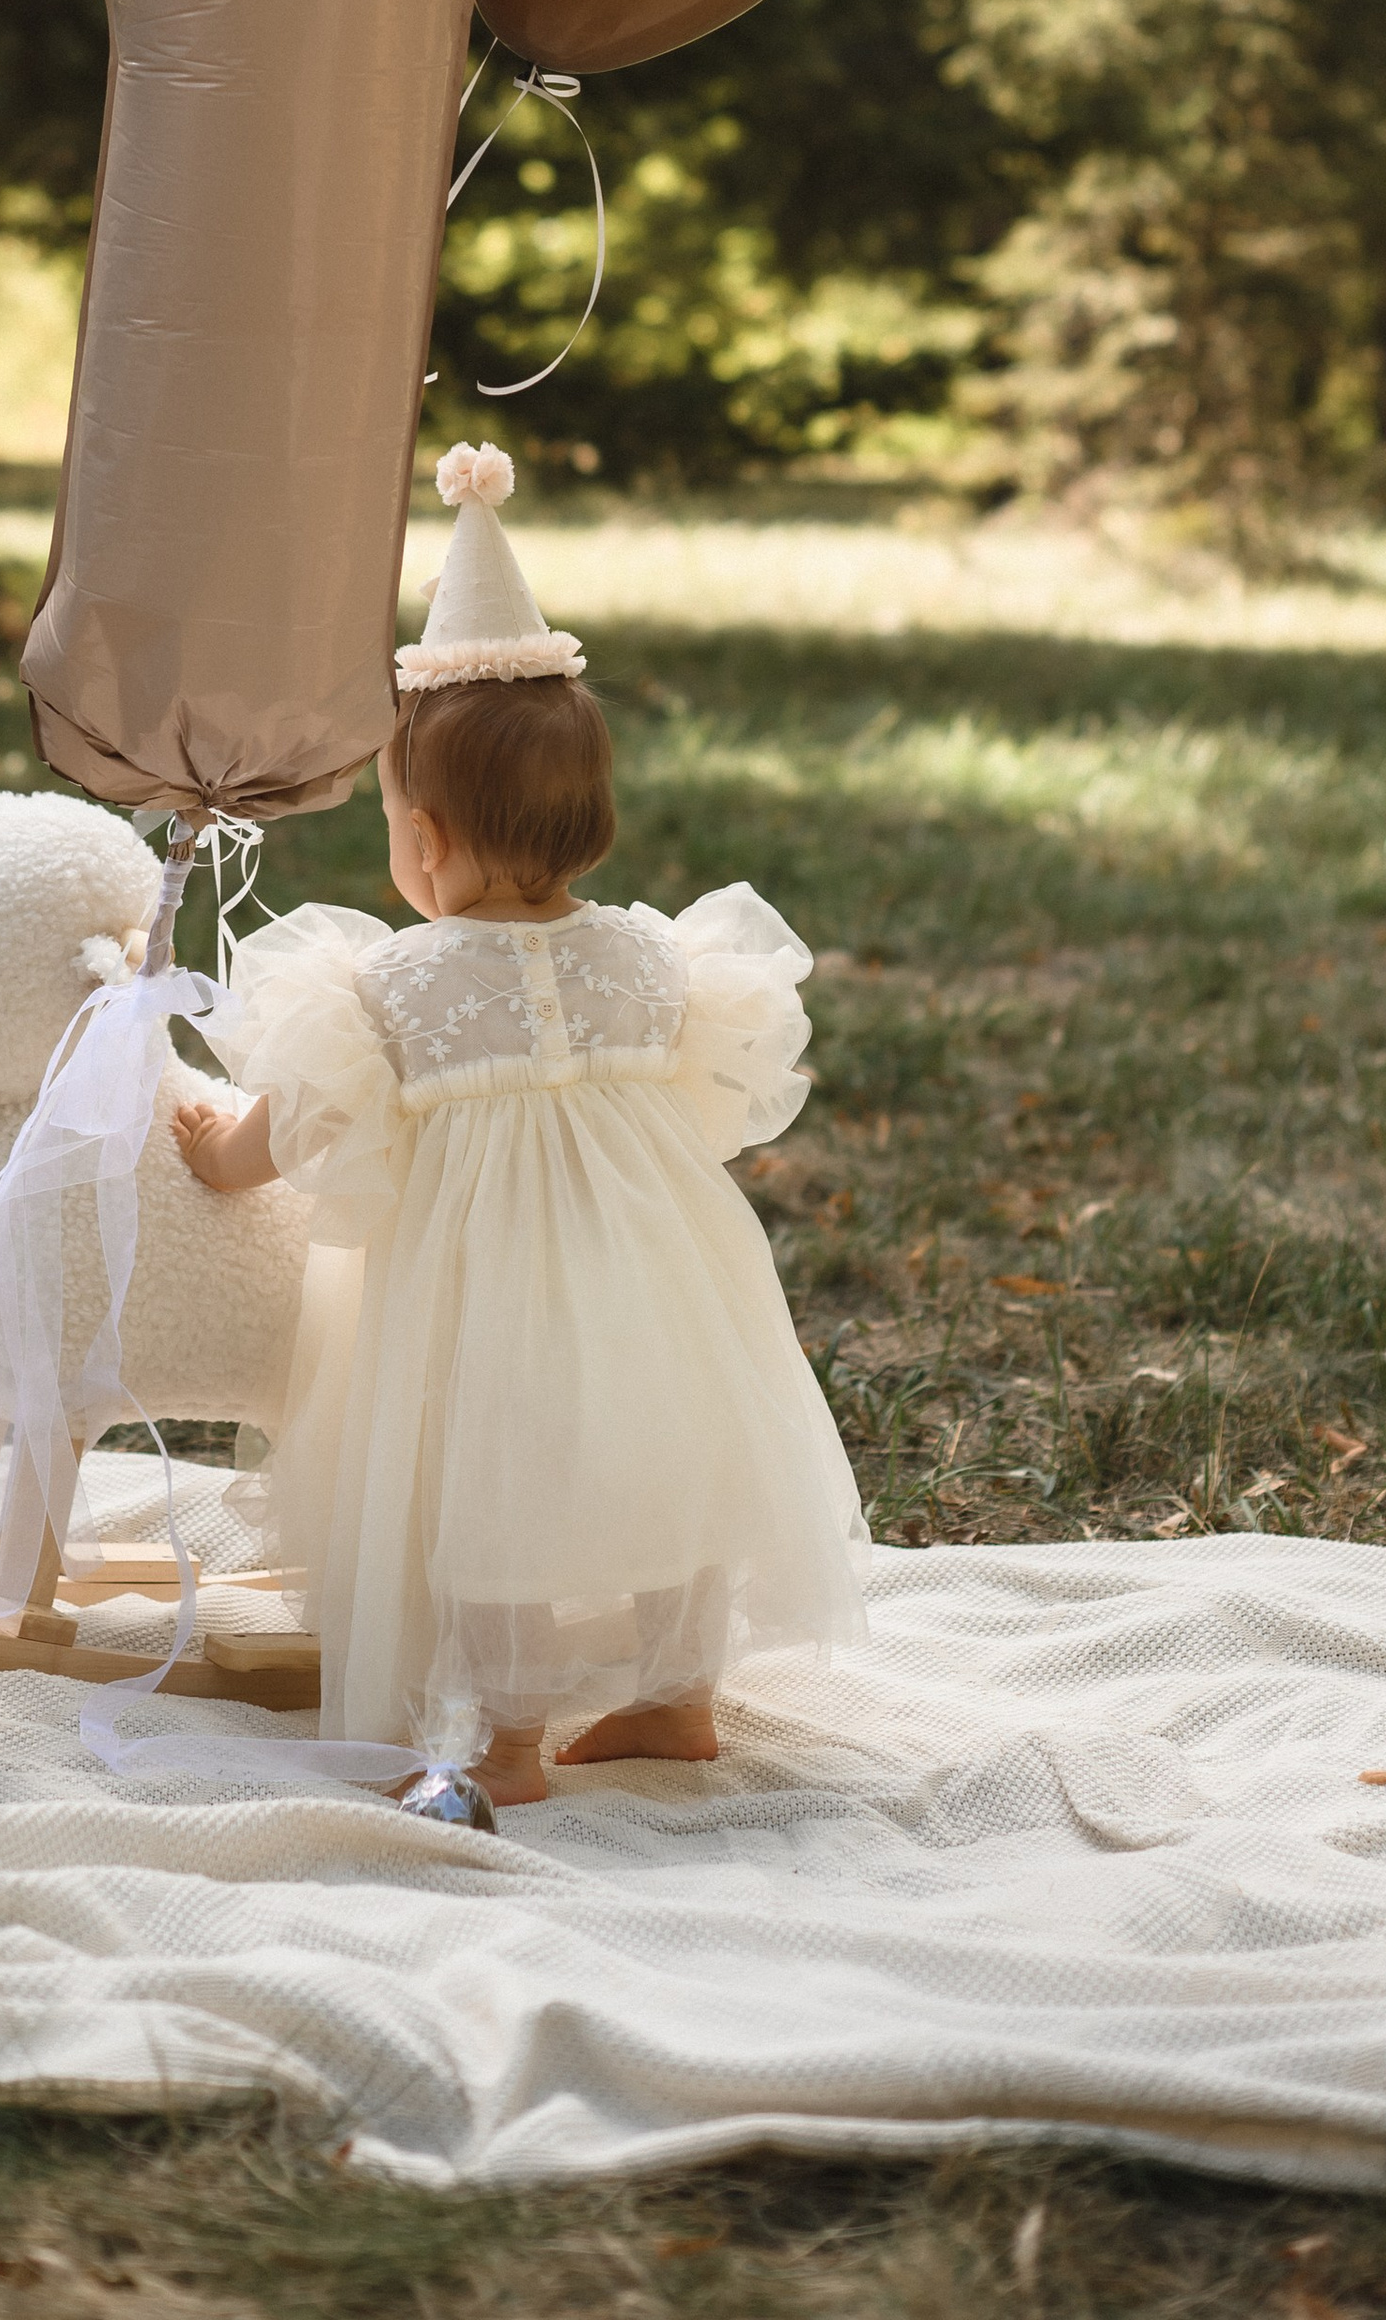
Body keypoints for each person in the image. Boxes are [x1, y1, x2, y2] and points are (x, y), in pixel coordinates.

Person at [174, 441, 868, 1807]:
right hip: (657, 1282)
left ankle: (504, 1740)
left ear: (421, 840)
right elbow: (709, 1090)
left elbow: (303, 1113)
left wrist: (218, 1154)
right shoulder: (653, 961)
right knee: (677, 1452)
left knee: (487, 1494)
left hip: (476, 1301)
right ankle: (678, 1696)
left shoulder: (395, 980)